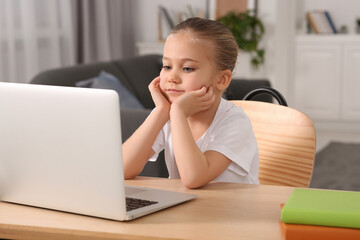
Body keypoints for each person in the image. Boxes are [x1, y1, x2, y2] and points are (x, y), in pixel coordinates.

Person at [123, 17, 259, 188]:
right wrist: (160, 112)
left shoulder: (235, 123)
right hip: (186, 210)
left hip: (228, 212)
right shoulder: (167, 114)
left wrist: (178, 113)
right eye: (167, 66)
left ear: (222, 79)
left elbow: (193, 178)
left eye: (187, 68)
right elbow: (122, 169)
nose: (172, 77)